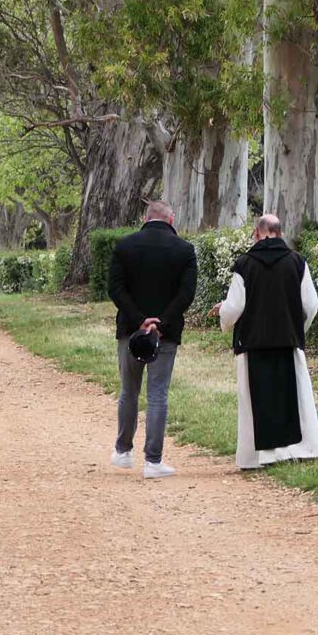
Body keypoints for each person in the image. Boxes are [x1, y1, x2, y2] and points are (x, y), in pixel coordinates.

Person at [211, 214, 318, 469]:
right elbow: (311, 305)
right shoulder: (297, 262)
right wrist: (298, 328)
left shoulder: (245, 264)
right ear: (280, 233)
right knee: (294, 398)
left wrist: (222, 316)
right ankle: (299, 450)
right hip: (287, 341)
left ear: (257, 233)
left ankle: (255, 458)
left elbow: (235, 307)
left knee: (254, 401)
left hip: (253, 342)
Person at [108, 200, 197, 479]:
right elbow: (186, 295)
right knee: (158, 393)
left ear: (145, 219)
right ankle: (153, 461)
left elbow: (116, 290)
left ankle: (123, 451)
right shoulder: (184, 250)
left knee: (128, 391)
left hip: (130, 331)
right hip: (166, 333)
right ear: (171, 220)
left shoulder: (124, 246)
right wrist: (161, 321)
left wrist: (140, 320)